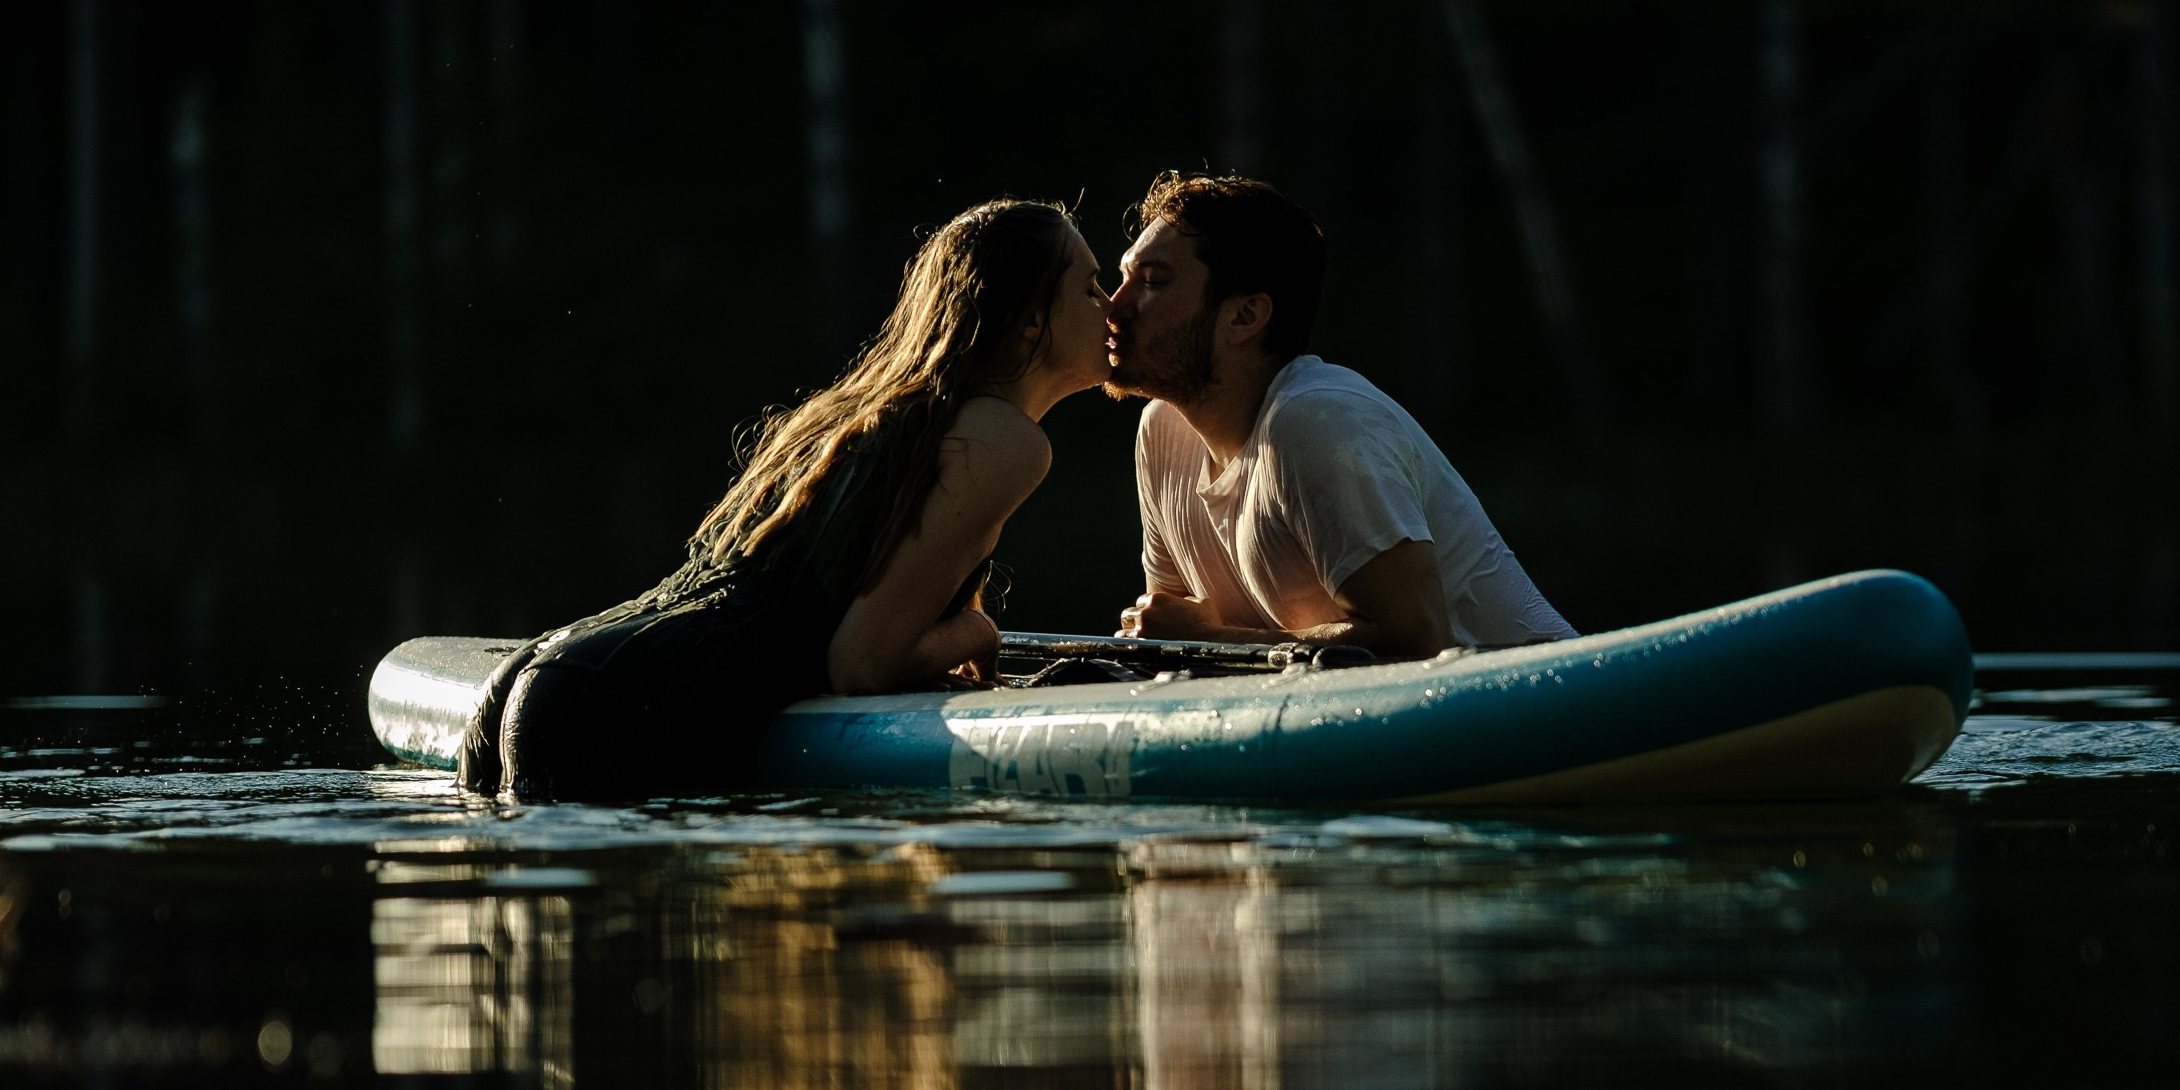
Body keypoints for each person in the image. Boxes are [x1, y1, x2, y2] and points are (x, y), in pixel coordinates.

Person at [460, 199, 1108, 799]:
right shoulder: (1006, 438)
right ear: (1030, 321)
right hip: (627, 703)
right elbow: (861, 662)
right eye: (1089, 287)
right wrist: (977, 628)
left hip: (558, 672)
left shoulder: (877, 414)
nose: (1110, 304)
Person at [1102, 172, 1574, 659]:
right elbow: (1174, 631)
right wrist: (1183, 639)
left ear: (1244, 317)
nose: (1114, 308)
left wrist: (1214, 642)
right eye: (1123, 278)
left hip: (1549, 712)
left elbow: (1419, 643)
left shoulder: (1317, 422)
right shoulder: (1164, 432)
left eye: (1153, 282)